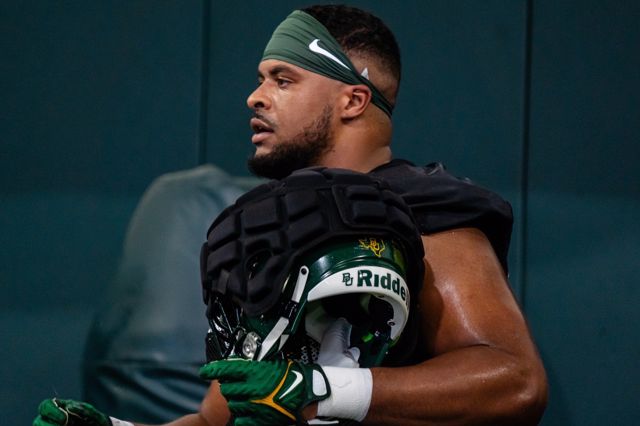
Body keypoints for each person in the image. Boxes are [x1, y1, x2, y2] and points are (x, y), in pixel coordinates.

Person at [34, 4, 548, 425]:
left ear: (353, 100)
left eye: (283, 80)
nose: (255, 97)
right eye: (261, 79)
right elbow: (217, 419)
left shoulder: (426, 211)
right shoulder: (269, 231)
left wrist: (322, 391)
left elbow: (516, 382)